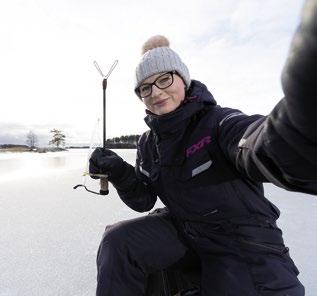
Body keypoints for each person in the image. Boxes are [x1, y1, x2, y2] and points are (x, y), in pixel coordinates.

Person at [89, 1, 317, 295]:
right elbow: (144, 198)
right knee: (118, 241)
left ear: (183, 79)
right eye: (145, 87)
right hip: (187, 231)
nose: (156, 92)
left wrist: (302, 120)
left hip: (240, 241)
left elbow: (261, 144)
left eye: (163, 79)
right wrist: (119, 171)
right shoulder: (148, 144)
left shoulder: (219, 122)